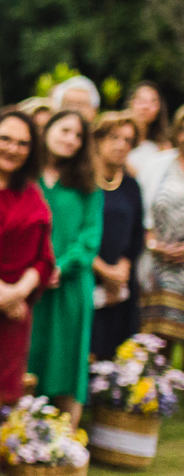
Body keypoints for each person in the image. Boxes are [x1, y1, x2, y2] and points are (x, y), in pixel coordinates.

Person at [0, 110, 54, 406]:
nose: (12, 148)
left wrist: (17, 293)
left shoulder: (32, 195)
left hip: (12, 316)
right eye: (5, 138)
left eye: (22, 143)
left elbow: (44, 260)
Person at [28, 109, 104, 427]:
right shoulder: (25, 176)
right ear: (46, 130)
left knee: (69, 358)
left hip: (70, 285)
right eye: (65, 130)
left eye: (78, 136)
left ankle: (65, 446)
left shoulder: (87, 184)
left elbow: (90, 236)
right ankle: (20, 439)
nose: (71, 140)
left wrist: (61, 267)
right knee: (30, 356)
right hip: (28, 282)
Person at [91, 112, 146, 361]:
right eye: (114, 137)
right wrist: (103, 270)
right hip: (88, 277)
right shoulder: (83, 183)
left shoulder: (131, 186)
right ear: (98, 140)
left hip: (122, 282)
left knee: (119, 356)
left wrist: (122, 269)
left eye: (128, 140)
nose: (122, 145)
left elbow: (137, 234)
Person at [140, 114, 184, 350]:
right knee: (156, 346)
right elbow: (141, 212)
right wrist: (153, 244)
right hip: (159, 267)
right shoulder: (159, 164)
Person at [126, 81, 171, 177]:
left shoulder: (164, 148)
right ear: (130, 103)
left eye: (153, 102)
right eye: (141, 101)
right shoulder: (118, 139)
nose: (146, 107)